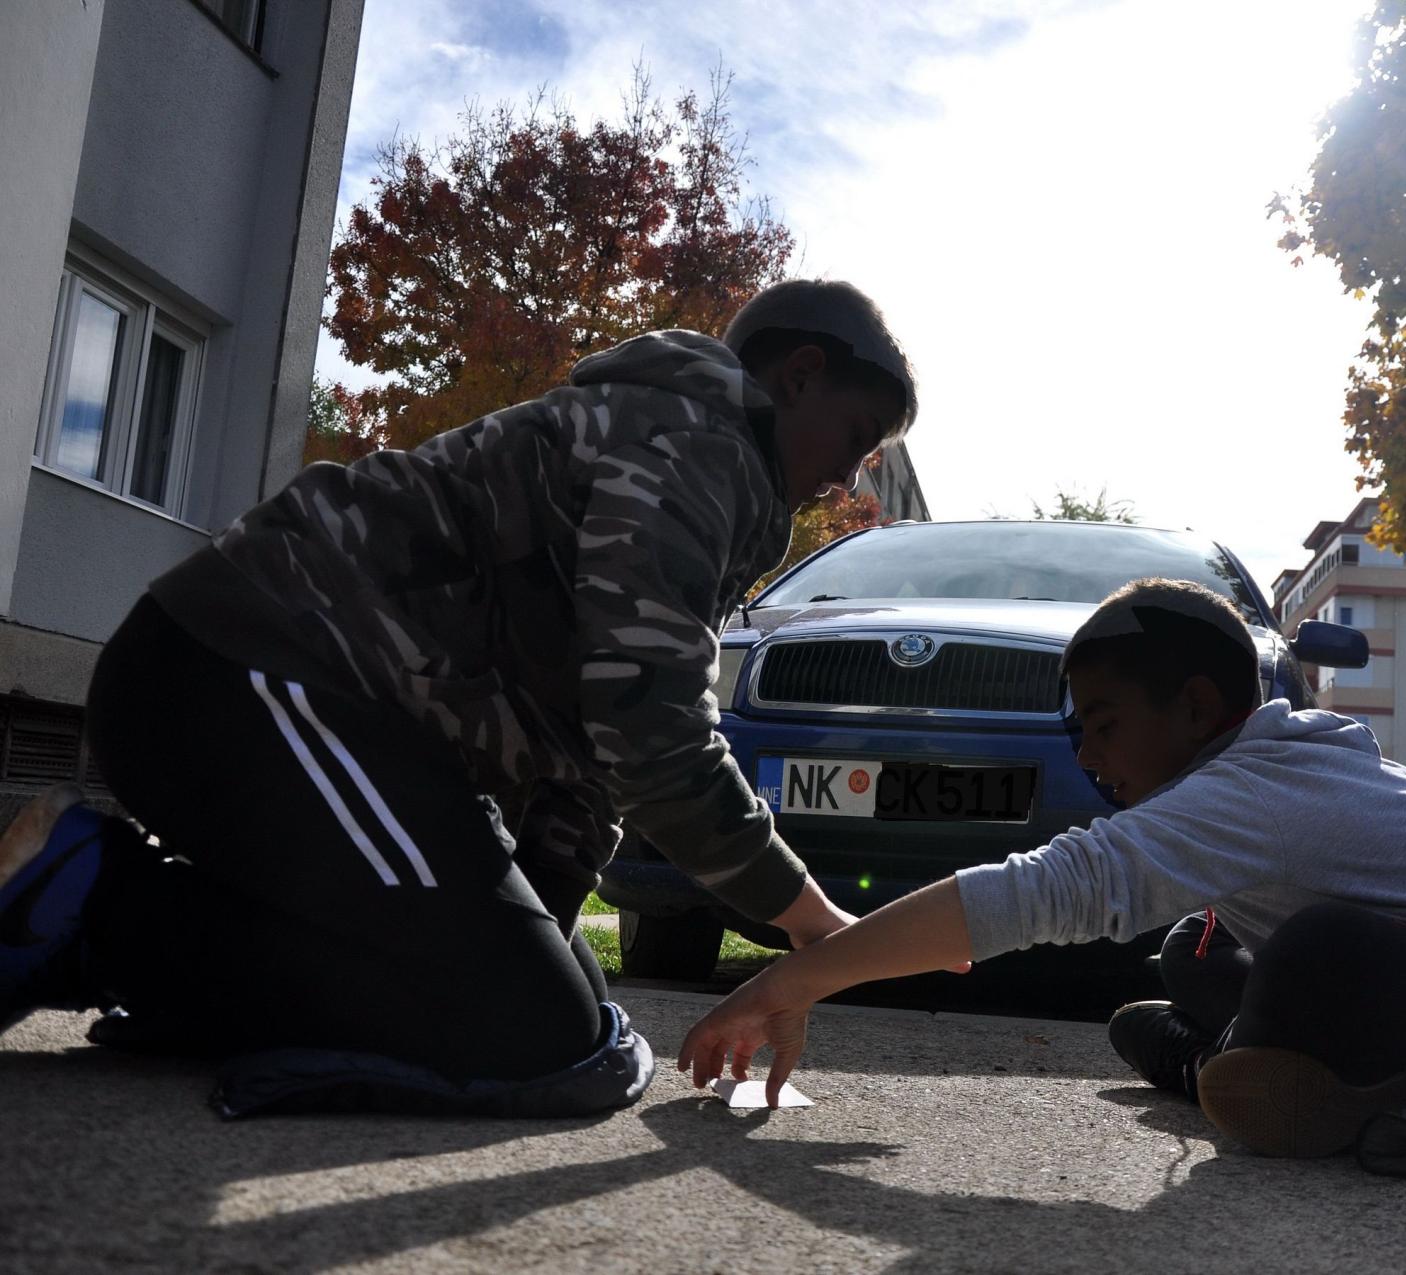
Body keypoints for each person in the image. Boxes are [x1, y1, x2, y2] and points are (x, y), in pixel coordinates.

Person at [0, 279, 915, 1118]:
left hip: (294, 708)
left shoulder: (707, 477)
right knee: (531, 1032)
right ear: (799, 377)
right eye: (856, 437)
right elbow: (652, 734)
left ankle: (115, 932)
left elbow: (590, 764)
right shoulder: (696, 443)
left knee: (543, 1022)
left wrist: (529, 947)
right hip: (247, 673)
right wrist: (811, 923)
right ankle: (95, 899)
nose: (848, 478)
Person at [678, 579, 1406, 1158]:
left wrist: (797, 975)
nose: (1088, 755)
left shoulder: (1260, 786)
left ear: (1200, 709)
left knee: (1319, 946)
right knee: (1193, 950)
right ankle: (1267, 1064)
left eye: (1106, 725)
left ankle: (1281, 1078)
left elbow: (1050, 887)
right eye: (1076, 733)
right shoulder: (1263, 772)